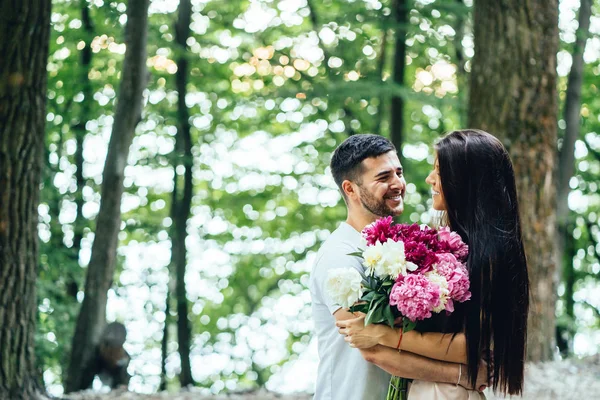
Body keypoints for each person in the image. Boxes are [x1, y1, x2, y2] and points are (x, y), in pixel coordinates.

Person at [336, 129, 529, 398]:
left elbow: (473, 344)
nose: (429, 179)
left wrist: (382, 334)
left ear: (464, 180)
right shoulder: (451, 241)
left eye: (439, 171)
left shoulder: (488, 255)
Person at [309, 134, 488, 400]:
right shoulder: (340, 259)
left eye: (399, 172)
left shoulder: (395, 248)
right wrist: (461, 375)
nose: (398, 184)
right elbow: (372, 350)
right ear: (350, 189)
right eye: (383, 177)